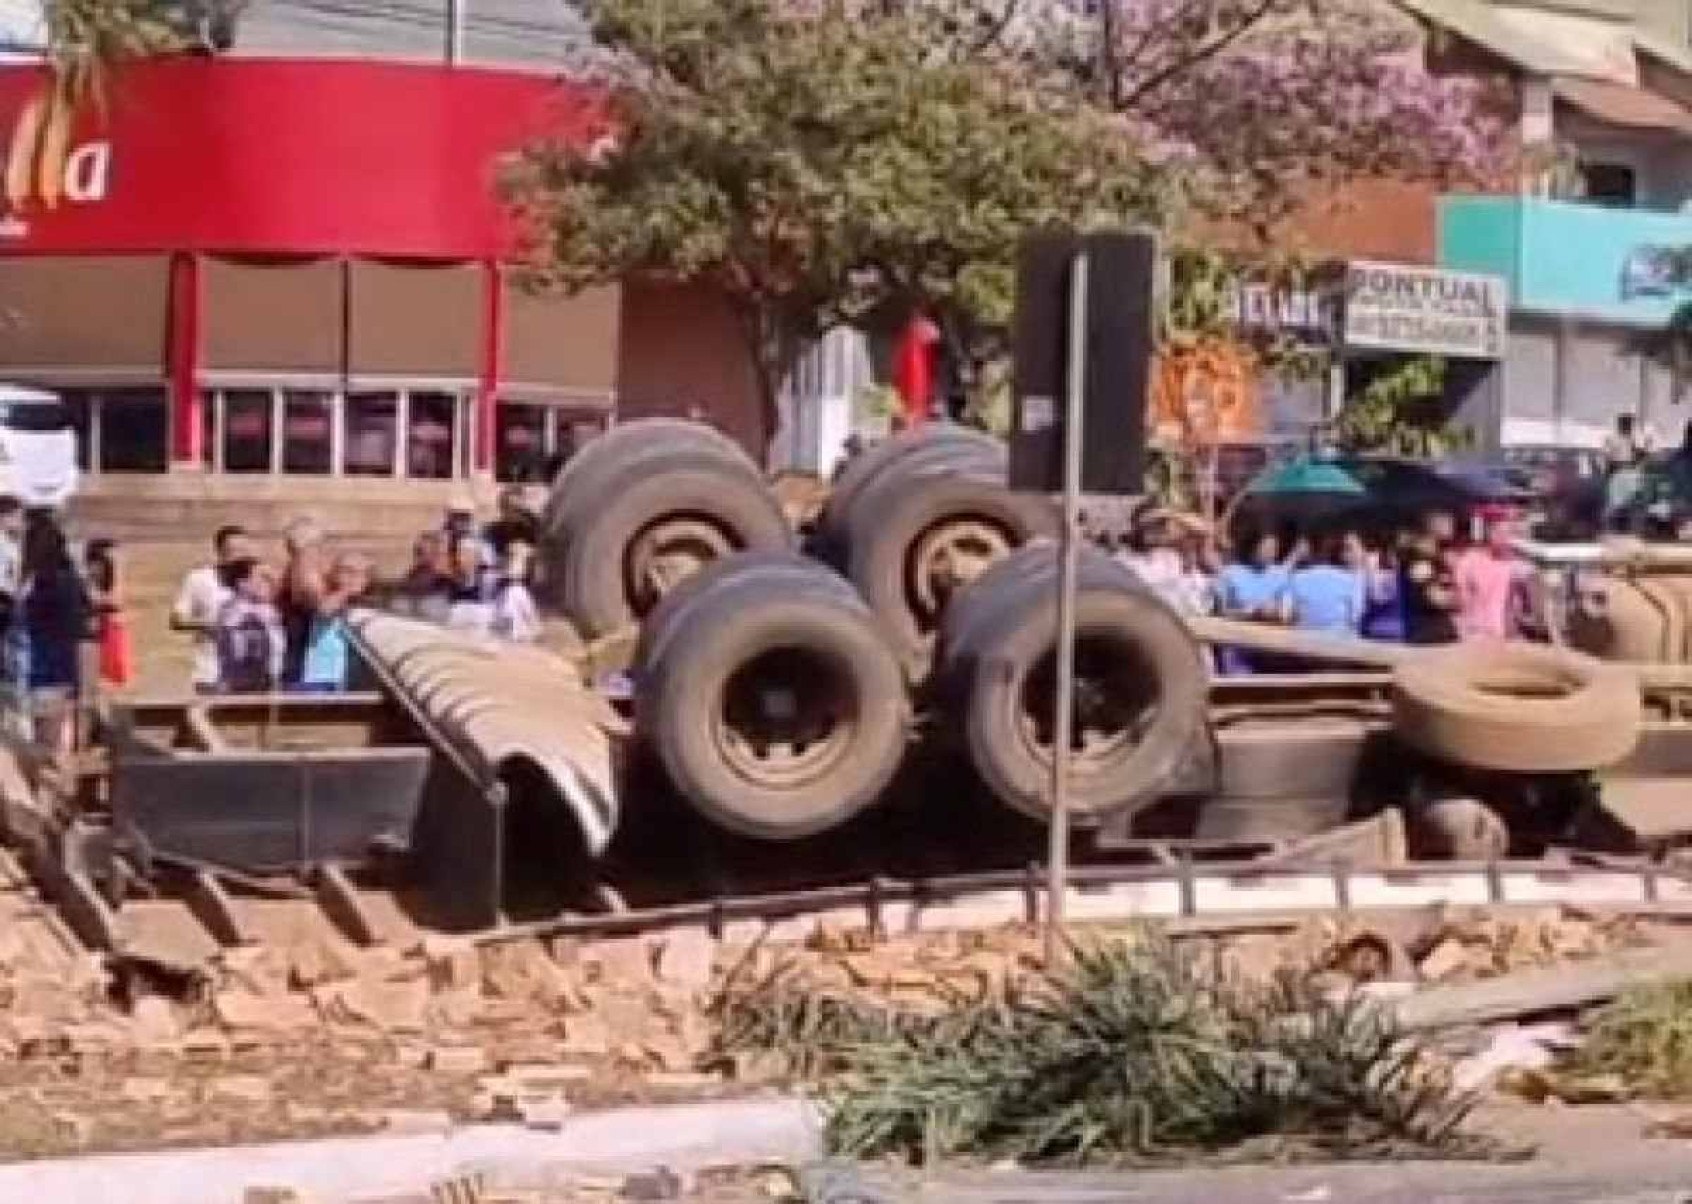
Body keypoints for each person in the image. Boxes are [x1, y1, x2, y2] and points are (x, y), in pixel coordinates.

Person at [19, 515, 90, 749]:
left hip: (39, 670)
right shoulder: (70, 581)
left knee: (41, 747)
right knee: (51, 745)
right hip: (59, 671)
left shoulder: (39, 583)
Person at [171, 524, 251, 694]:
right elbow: (177, 619)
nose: (239, 556)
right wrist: (208, 625)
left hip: (247, 674)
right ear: (219, 552)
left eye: (243, 550)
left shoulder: (254, 582)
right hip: (209, 671)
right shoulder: (199, 579)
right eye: (233, 550)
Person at [1215, 529, 1290, 674]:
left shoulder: (1281, 575)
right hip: (1238, 648)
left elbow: (1287, 612)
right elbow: (1220, 613)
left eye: (1274, 548)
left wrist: (1276, 612)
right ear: (1253, 546)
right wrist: (1250, 613)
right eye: (1266, 547)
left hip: (1272, 648)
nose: (1270, 552)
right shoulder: (1230, 574)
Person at [297, 553, 371, 693]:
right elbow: (324, 609)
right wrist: (347, 589)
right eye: (348, 571)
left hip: (352, 680)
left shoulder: (366, 604)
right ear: (335, 574)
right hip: (323, 679)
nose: (356, 577)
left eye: (363, 573)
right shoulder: (327, 598)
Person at [216, 558, 285, 694]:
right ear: (242, 584)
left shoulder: (268, 610)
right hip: (242, 686)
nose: (268, 583)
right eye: (261, 578)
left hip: (269, 684)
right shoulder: (233, 612)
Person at [277, 517, 329, 688]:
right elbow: (316, 602)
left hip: (295, 648)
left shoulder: (291, 568)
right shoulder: (304, 564)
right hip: (307, 652)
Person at [1287, 531, 1364, 636]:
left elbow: (1287, 613)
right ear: (1340, 554)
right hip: (1340, 643)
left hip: (1304, 641)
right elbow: (1356, 615)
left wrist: (1294, 557)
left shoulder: (1297, 578)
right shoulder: (1350, 580)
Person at [1400, 512, 1460, 645]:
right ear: (1431, 523)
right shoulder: (1418, 559)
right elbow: (1437, 599)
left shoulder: (1438, 558)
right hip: (1427, 638)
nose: (1452, 522)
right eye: (1446, 518)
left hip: (1443, 636)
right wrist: (1454, 598)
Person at [85, 538, 133, 690]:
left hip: (108, 626)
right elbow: (111, 600)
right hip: (103, 627)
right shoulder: (91, 579)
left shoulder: (104, 577)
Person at [443, 532, 495, 634]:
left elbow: (488, 612)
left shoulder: (489, 581)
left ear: (478, 556)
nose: (461, 557)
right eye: (459, 553)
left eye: (466, 552)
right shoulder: (453, 582)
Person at [490, 541, 541, 642]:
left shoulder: (520, 553)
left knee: (517, 607)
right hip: (513, 586)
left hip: (517, 585)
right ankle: (512, 630)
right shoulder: (512, 556)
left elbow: (531, 553)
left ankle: (514, 630)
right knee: (509, 609)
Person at [483, 486, 539, 560]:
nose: (514, 513)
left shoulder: (531, 525)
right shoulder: (493, 531)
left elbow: (543, 548)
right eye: (508, 507)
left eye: (517, 509)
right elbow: (490, 556)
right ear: (502, 509)